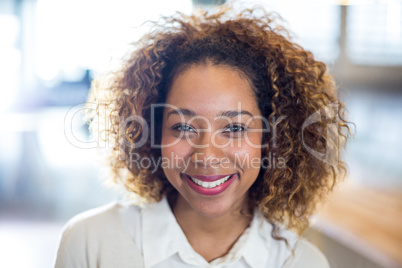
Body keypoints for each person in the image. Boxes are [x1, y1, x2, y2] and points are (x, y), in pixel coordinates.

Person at [54, 5, 351, 268]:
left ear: (272, 138)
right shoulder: (91, 243)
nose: (207, 156)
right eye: (183, 127)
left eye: (234, 129)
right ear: (153, 133)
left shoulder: (301, 263)